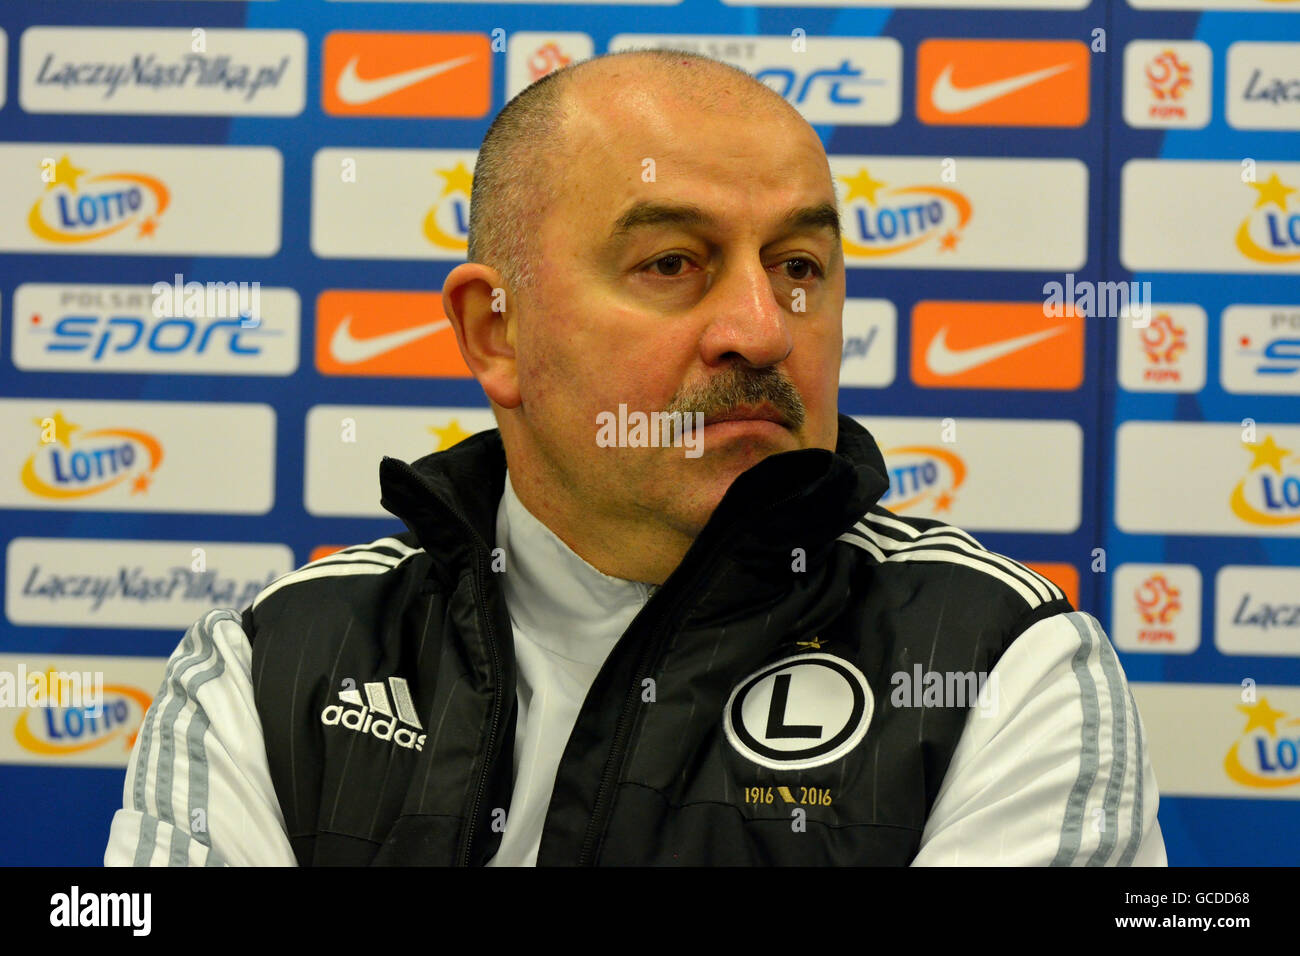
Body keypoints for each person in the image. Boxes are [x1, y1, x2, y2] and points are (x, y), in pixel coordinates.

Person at [105, 48, 1165, 866]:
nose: (760, 327)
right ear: (496, 331)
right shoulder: (272, 668)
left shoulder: (1002, 666)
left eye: (798, 264)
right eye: (672, 262)